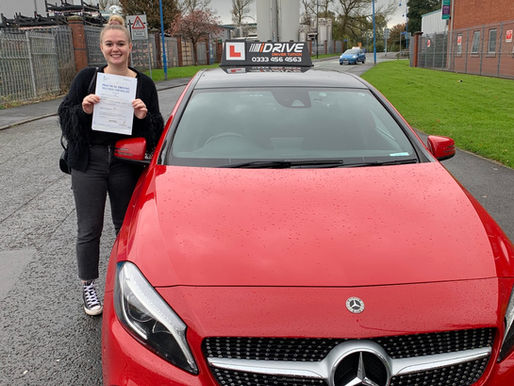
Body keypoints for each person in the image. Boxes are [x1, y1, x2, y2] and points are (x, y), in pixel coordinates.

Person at [58, 24, 164, 316]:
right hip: (88, 161)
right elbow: (65, 117)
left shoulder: (143, 84)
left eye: (120, 43)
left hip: (125, 162)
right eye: (109, 44)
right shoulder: (88, 78)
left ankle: (124, 283)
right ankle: (88, 286)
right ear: (102, 48)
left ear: (130, 47)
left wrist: (144, 117)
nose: (115, 49)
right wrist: (84, 110)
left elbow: (156, 130)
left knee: (125, 227)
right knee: (89, 227)